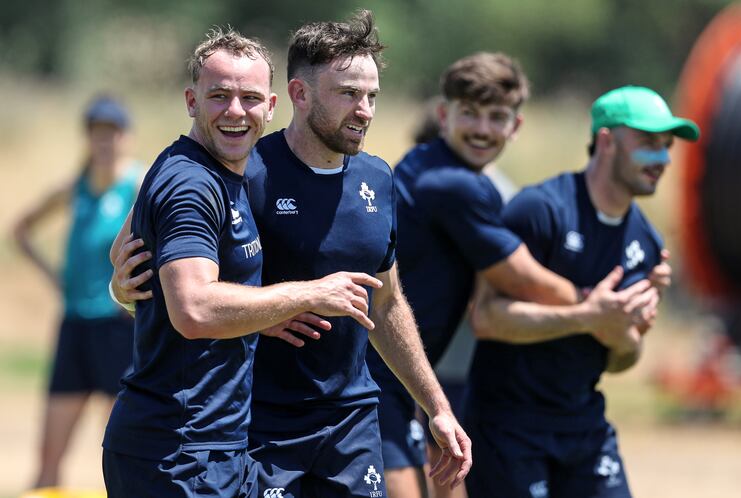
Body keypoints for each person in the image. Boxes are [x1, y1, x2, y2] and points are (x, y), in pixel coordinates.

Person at [110, 11, 471, 498]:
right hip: (253, 428)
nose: (364, 110)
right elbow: (149, 244)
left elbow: (385, 303)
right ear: (300, 97)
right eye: (348, 94)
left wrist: (437, 406)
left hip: (351, 422)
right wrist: (124, 284)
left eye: (371, 96)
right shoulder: (241, 165)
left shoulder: (378, 179)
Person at [364, 52, 582, 498]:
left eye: (497, 117)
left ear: (514, 127)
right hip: (375, 376)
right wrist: (596, 304)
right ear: (444, 115)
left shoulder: (424, 162)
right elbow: (522, 279)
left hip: (399, 378)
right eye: (470, 114)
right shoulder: (454, 183)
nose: (482, 129)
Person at [465, 85, 699, 498]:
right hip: (509, 427)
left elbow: (621, 361)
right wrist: (588, 316)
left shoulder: (646, 242)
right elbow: (486, 318)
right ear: (606, 141)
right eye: (647, 143)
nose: (662, 158)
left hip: (584, 426)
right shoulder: (540, 210)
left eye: (667, 146)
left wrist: (625, 333)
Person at [13, 95, 141, 489]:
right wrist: (55, 277)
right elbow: (21, 230)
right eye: (96, 133)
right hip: (74, 327)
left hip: (118, 329)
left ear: (125, 137)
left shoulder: (138, 184)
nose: (104, 142)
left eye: (112, 133)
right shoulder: (74, 187)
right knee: (48, 457)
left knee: (127, 450)